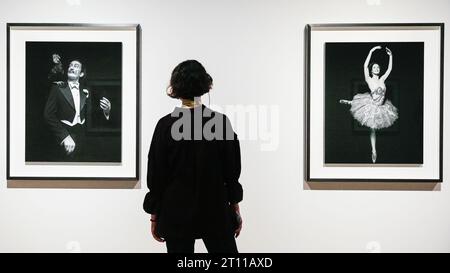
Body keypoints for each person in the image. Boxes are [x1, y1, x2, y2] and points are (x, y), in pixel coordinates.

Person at [143, 60, 243, 253]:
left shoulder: (165, 126)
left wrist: (154, 215)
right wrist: (235, 206)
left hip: (175, 211)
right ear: (205, 85)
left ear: (175, 87)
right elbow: (232, 171)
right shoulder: (220, 123)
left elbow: (156, 174)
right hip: (215, 209)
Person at [44, 58, 112, 161]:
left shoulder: (86, 91)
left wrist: (106, 110)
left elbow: (95, 114)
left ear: (81, 74)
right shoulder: (57, 88)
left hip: (83, 139)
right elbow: (48, 115)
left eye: (76, 66)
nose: (71, 67)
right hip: (62, 138)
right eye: (70, 65)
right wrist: (64, 137)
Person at [339, 45, 398, 163]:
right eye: (374, 67)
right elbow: (365, 65)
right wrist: (371, 51)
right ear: (371, 70)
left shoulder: (382, 80)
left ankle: (350, 101)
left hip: (382, 106)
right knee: (373, 129)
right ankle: (374, 151)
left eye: (378, 67)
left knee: (374, 126)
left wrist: (391, 56)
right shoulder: (369, 79)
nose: (377, 68)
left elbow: (390, 69)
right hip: (373, 106)